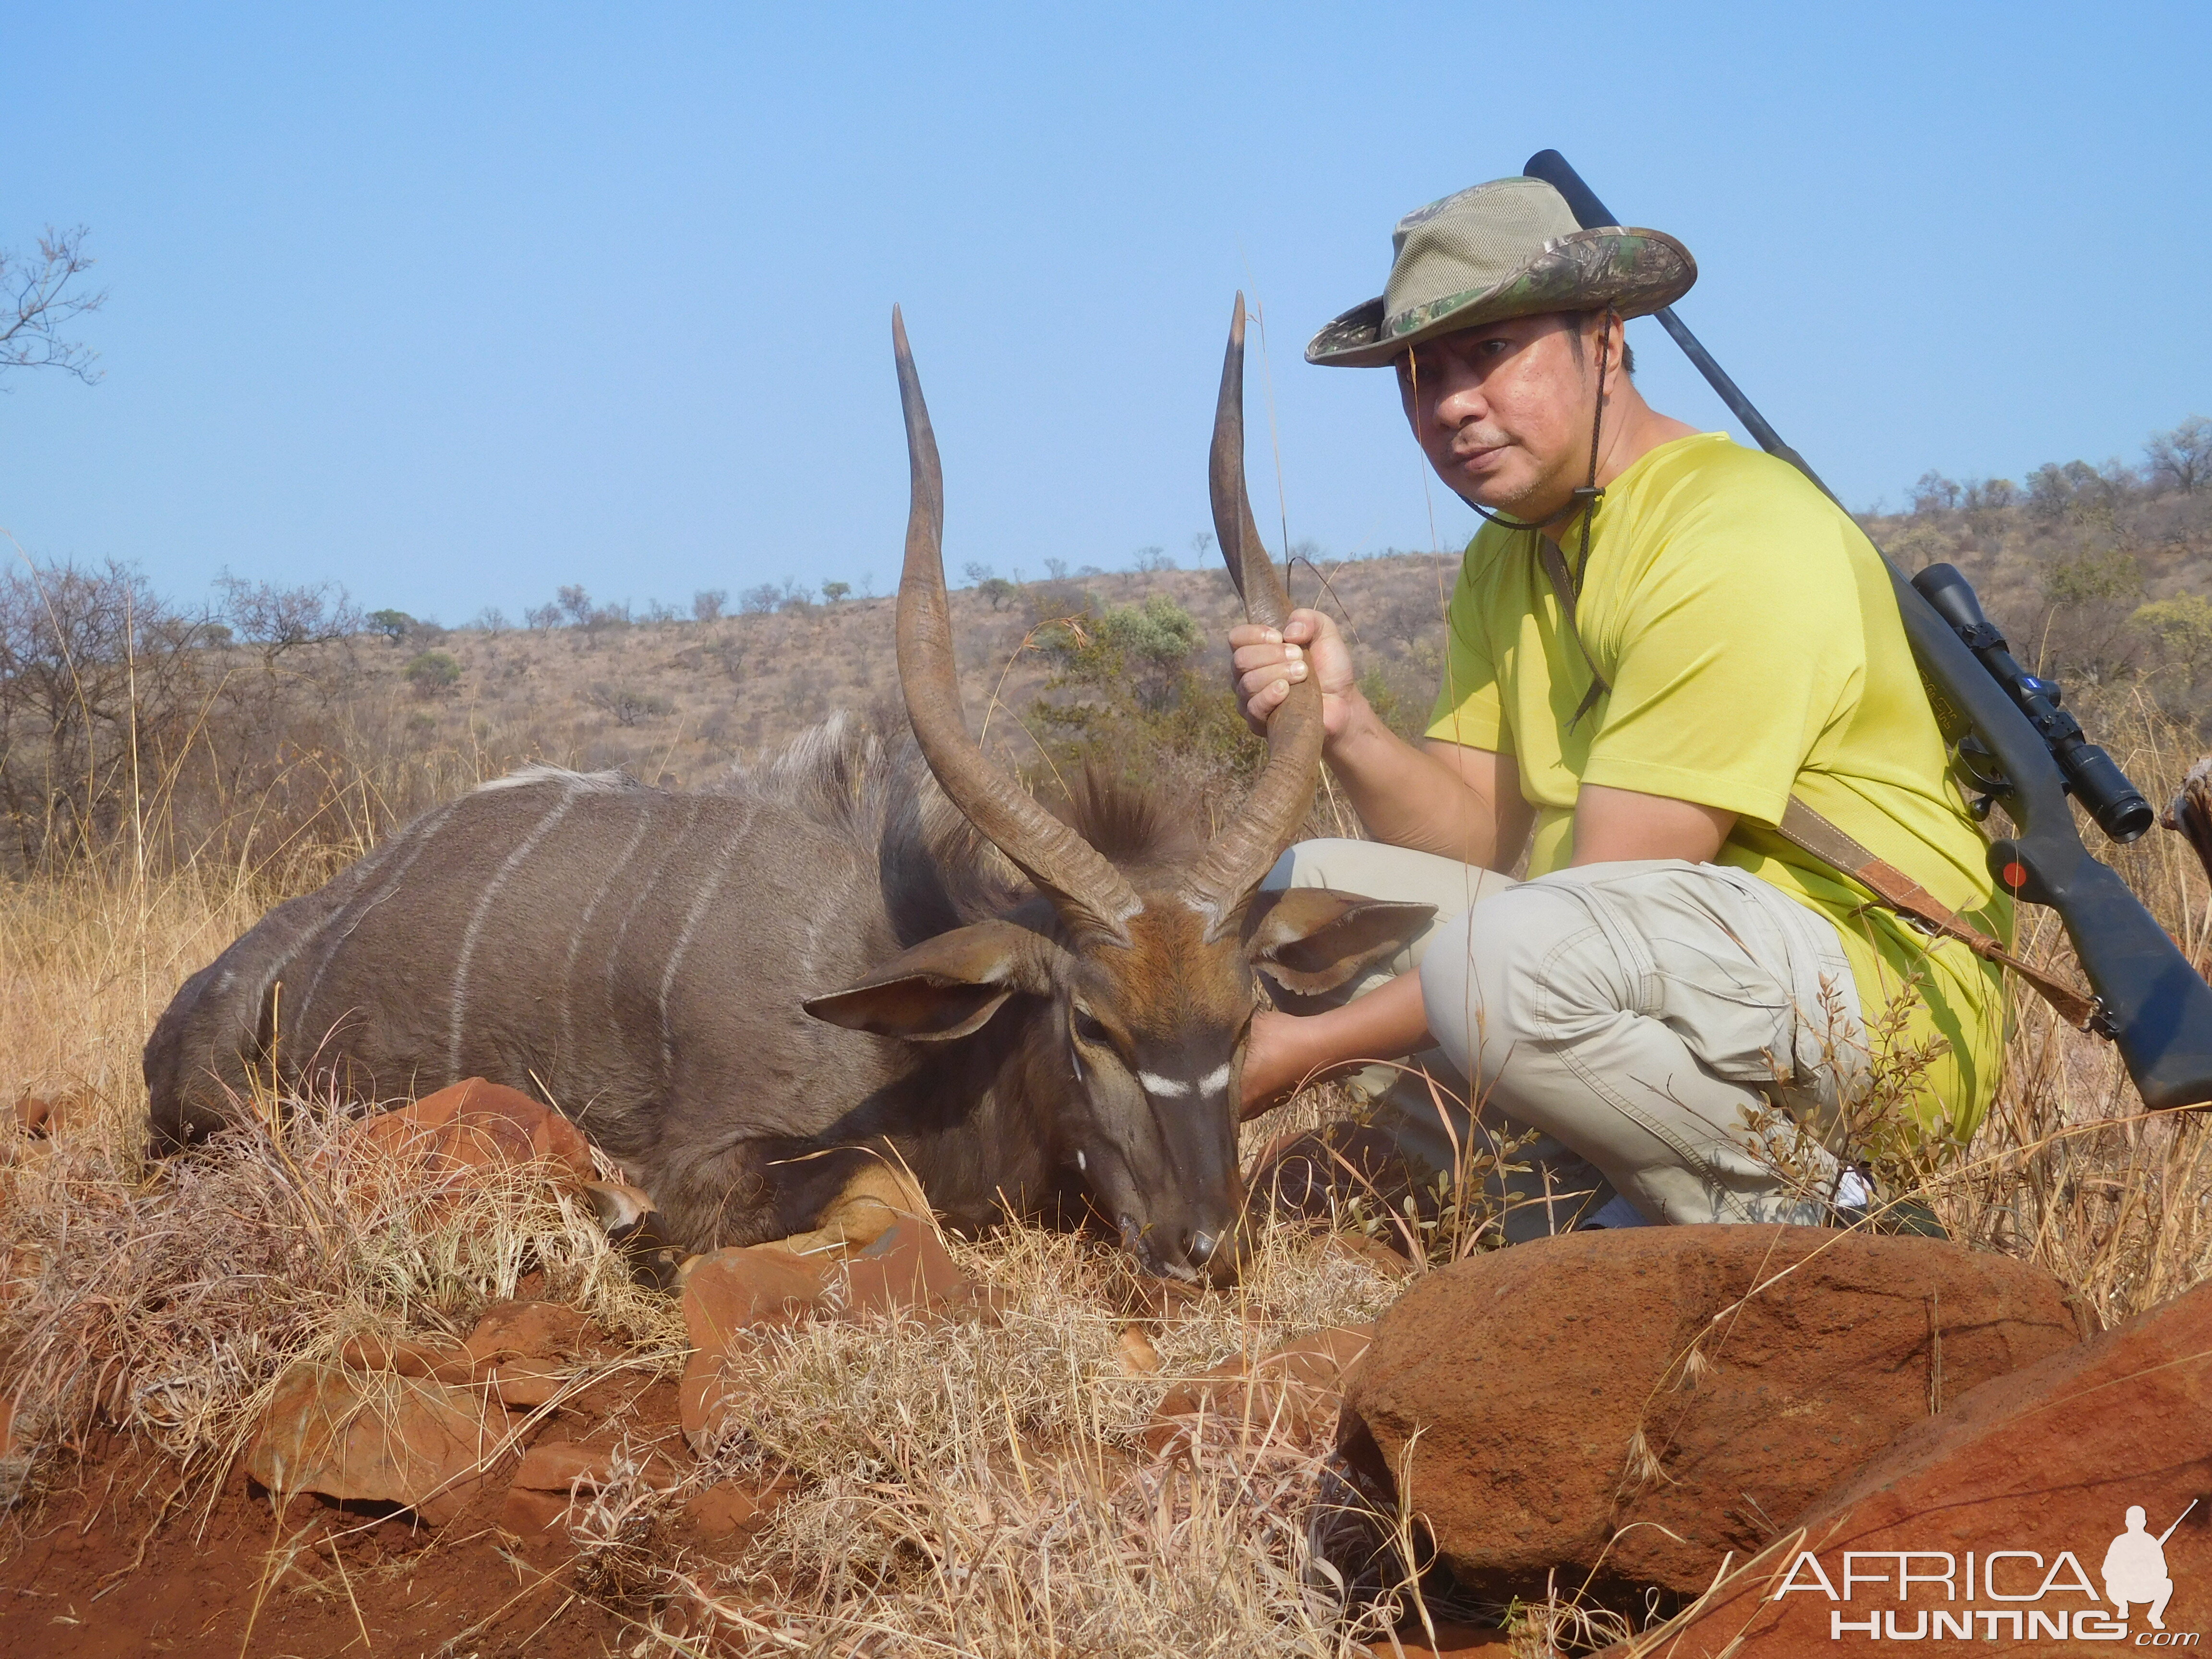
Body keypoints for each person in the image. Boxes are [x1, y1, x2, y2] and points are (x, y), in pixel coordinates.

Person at [1230, 176, 2008, 1235]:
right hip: (1638, 970)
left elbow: (1611, 884)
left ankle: (1827, 1217)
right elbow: (1483, 830)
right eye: (1424, 373)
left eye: (1491, 351)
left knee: (1500, 963)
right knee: (1299, 898)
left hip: (1867, 999)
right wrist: (1346, 725)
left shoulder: (1734, 530)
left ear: (1604, 341)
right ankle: (1593, 1209)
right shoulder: (1505, 558)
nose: (1453, 403)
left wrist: (1309, 1051)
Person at [2102, 1505, 2176, 1630]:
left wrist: (2146, 1569)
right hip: (2123, 1589)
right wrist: (2125, 1570)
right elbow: (2106, 1571)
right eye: (2132, 1520)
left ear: (2144, 1523)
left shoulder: (2151, 1542)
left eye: (2138, 1520)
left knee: (2167, 1584)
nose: (2135, 1523)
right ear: (2127, 1523)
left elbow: (2163, 1571)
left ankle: (2155, 1616)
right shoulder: (2119, 1542)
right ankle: (2123, 1606)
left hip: (2145, 1589)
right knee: (2111, 1584)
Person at [1833, 1160, 1875, 1229]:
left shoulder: (1863, 1197)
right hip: (1836, 1183)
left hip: (1837, 1174)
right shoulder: (1861, 1200)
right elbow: (1840, 1204)